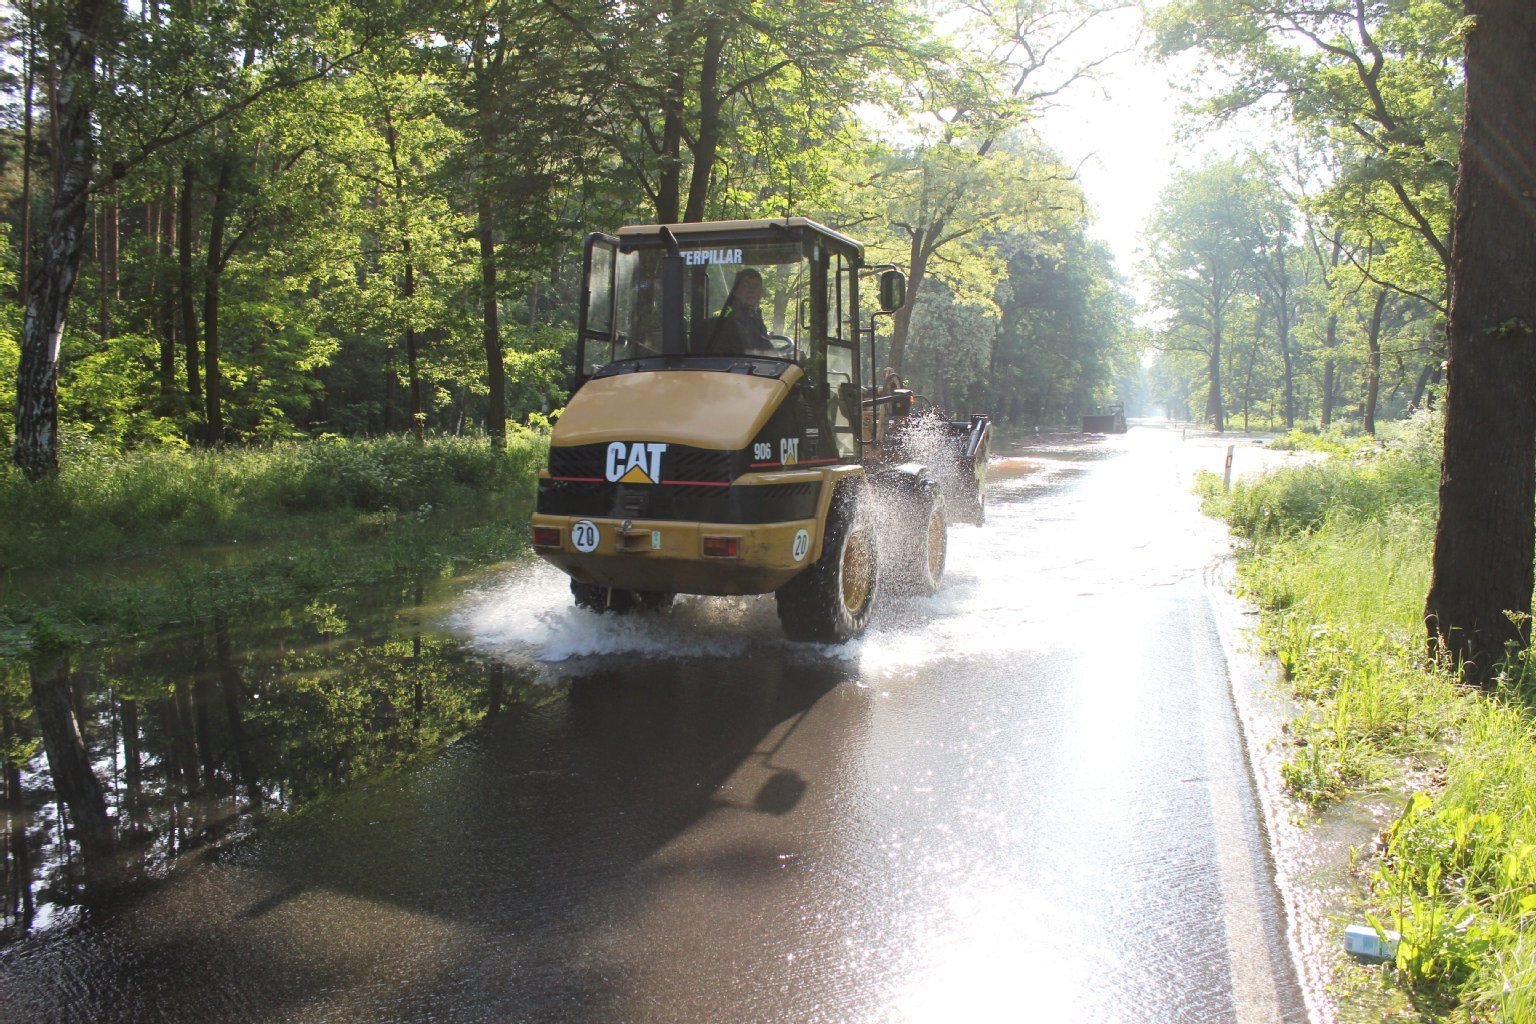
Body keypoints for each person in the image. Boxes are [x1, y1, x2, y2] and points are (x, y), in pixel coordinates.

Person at [702, 269, 769, 354]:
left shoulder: (754, 316)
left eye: (756, 286)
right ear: (736, 291)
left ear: (760, 292)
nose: (751, 290)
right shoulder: (731, 318)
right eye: (746, 285)